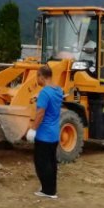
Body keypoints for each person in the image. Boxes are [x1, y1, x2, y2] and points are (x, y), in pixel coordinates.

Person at [27, 65, 64, 199]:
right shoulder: (58, 90)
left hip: (44, 134)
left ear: (42, 77)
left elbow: (40, 114)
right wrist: (39, 98)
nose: (37, 79)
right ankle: (51, 188)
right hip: (54, 133)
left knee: (42, 163)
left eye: (37, 76)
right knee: (51, 162)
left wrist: (33, 129)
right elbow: (51, 102)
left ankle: (48, 191)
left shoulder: (44, 93)